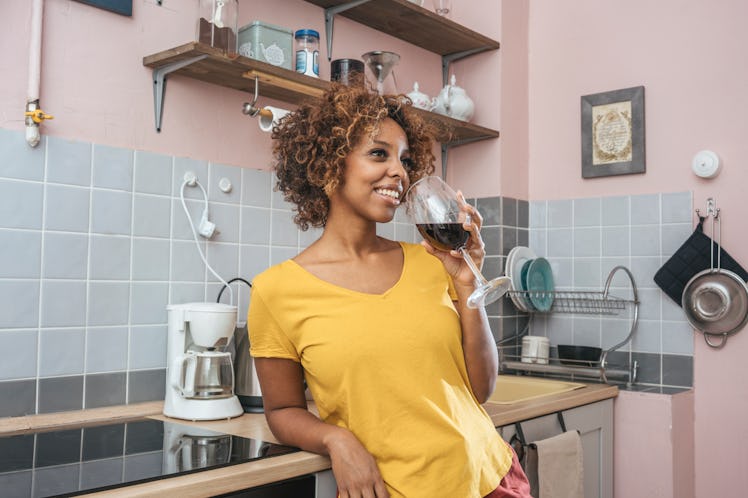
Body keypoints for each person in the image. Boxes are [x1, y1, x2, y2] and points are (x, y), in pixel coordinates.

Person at [247, 82, 531, 498]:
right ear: (329, 165)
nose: (399, 172)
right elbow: (283, 410)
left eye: (404, 159)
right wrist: (336, 440)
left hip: (490, 478)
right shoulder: (276, 290)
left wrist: (466, 280)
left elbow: (481, 388)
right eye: (379, 154)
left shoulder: (433, 262)